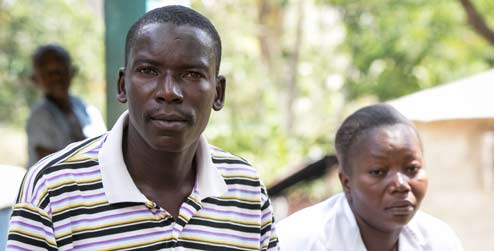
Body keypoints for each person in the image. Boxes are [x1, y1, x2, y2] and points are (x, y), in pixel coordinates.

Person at [7, 5, 278, 251]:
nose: (169, 92)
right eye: (149, 71)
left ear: (218, 93)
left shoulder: (246, 190)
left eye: (192, 74)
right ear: (122, 86)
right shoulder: (52, 190)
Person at [277, 104, 463, 251]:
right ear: (346, 182)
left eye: (412, 168)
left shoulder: (439, 241)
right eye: (378, 172)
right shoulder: (295, 242)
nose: (401, 184)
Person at [26, 44, 106, 166]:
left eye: (61, 70)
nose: (56, 77)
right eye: (48, 73)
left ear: (72, 72)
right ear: (36, 79)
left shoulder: (86, 110)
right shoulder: (40, 117)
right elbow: (51, 163)